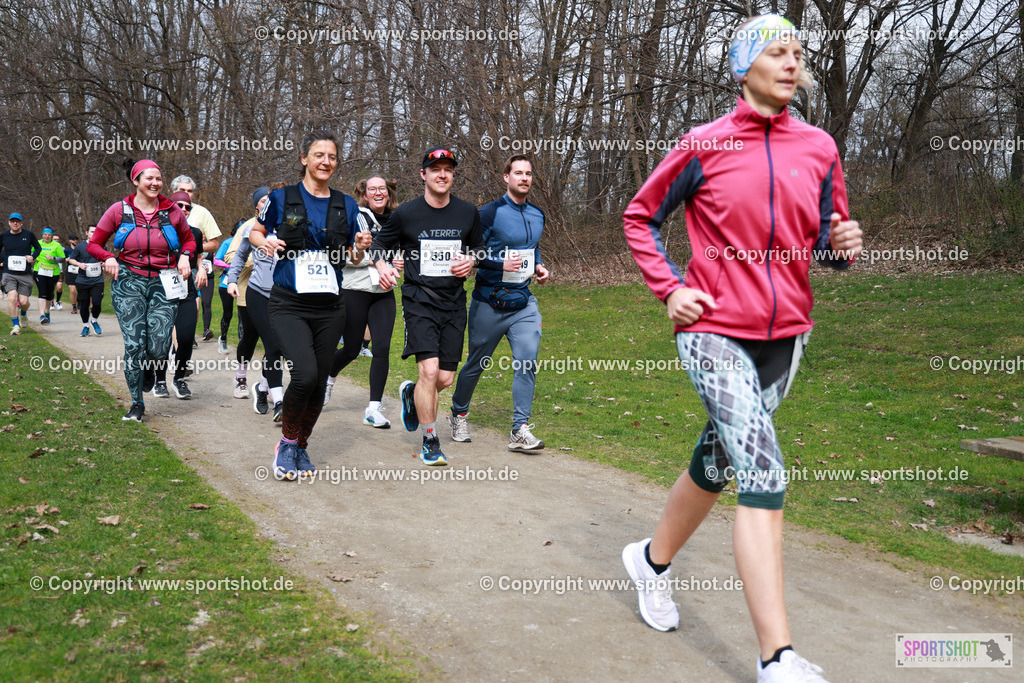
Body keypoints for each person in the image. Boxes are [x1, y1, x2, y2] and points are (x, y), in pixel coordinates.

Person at [620, 15, 863, 683]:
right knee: (764, 472)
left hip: (786, 340)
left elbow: (821, 240)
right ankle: (777, 657)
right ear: (742, 66)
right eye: (776, 52)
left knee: (719, 459)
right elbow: (640, 215)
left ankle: (650, 560)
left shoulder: (819, 147)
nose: (791, 63)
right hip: (713, 330)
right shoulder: (704, 144)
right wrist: (669, 288)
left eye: (797, 53)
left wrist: (838, 250)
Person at [249, 132, 370, 481]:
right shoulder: (281, 197)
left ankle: (301, 445)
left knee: (318, 383)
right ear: (304, 158)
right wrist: (267, 240)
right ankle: (285, 444)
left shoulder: (347, 205)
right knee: (305, 374)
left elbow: (353, 256)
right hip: (288, 303)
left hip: (331, 306)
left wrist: (360, 246)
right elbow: (255, 232)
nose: (325, 162)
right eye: (318, 155)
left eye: (331, 157)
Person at [370, 147, 489, 466]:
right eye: (435, 168)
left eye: (448, 169)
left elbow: (479, 246)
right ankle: (430, 440)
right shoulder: (407, 213)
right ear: (423, 174)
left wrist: (471, 260)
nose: (442, 174)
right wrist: (382, 266)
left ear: (452, 175)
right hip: (419, 301)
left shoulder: (467, 212)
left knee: (445, 379)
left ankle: (412, 395)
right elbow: (380, 244)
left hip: (453, 303)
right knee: (430, 370)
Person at [449, 155, 550, 451]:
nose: (524, 178)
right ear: (506, 177)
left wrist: (539, 266)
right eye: (518, 172)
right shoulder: (489, 213)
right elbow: (469, 254)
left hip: (523, 304)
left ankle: (520, 429)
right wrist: (499, 264)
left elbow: (532, 248)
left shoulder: (537, 213)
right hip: (489, 303)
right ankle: (458, 413)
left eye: (528, 173)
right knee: (476, 364)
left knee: (527, 362)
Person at [88, 159, 197, 422]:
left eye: (159, 179)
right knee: (134, 344)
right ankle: (137, 403)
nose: (155, 183)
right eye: (149, 178)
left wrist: (185, 256)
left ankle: (150, 368)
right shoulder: (119, 210)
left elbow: (190, 240)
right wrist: (108, 257)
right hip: (129, 280)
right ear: (135, 181)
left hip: (163, 281)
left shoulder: (172, 211)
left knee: (159, 347)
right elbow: (94, 244)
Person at [324, 175, 403, 429]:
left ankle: (373, 408)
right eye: (373, 189)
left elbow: (402, 250)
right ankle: (329, 378)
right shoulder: (353, 215)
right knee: (351, 348)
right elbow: (336, 255)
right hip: (355, 290)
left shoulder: (397, 220)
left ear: (388, 194)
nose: (379, 193)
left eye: (383, 188)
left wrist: (399, 261)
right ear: (365, 194)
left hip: (383, 293)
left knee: (382, 348)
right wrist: (372, 261)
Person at [225, 186, 280, 406]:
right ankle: (241, 377)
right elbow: (232, 256)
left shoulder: (287, 223)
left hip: (279, 293)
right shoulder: (249, 227)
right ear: (256, 204)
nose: (268, 203)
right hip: (250, 290)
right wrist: (257, 259)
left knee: (274, 344)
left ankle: (266, 385)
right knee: (249, 337)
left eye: (271, 199)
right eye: (264, 200)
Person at [152, 191, 208, 399]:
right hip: (161, 291)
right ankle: (159, 380)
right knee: (162, 338)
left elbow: (199, 257)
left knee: (185, 337)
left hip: (186, 290)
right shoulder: (156, 230)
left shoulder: (194, 232)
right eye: (180, 205)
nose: (184, 209)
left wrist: (202, 269)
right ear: (170, 207)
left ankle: (179, 379)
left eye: (188, 207)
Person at [169, 174, 222, 341]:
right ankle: (173, 347)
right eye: (182, 190)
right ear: (173, 192)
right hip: (168, 268)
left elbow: (214, 243)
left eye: (190, 191)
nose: (186, 194)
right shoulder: (162, 210)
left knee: (193, 307)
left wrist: (193, 247)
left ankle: (187, 337)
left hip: (193, 266)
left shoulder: (202, 213)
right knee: (170, 309)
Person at [0, 212, 40, 335]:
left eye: (17, 221)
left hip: (25, 273)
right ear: (9, 223)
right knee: (12, 298)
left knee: (23, 302)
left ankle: (23, 313)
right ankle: (16, 325)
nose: (15, 223)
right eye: (13, 221)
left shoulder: (28, 234)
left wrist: (32, 257)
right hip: (9, 272)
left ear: (21, 223)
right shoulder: (4, 236)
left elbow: (38, 248)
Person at [66, 225, 105, 337]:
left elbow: (105, 258)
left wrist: (104, 263)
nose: (94, 233)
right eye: (92, 231)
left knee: (97, 303)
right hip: (83, 280)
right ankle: (85, 326)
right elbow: (71, 260)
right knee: (84, 304)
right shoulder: (80, 246)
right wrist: (79, 264)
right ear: (87, 233)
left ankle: (94, 320)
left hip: (98, 279)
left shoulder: (102, 245)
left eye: (96, 231)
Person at [213, 222, 242, 355]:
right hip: (226, 283)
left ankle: (242, 344)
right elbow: (216, 260)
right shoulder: (228, 242)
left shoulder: (250, 241)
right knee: (228, 313)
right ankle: (223, 339)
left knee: (243, 315)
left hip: (244, 282)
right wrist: (231, 266)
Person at [33, 227, 65, 324]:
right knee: (42, 292)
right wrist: (33, 257)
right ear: (42, 235)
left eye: (49, 235)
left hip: (53, 272)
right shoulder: (37, 243)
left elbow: (63, 259)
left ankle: (47, 312)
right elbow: (31, 253)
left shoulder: (56, 245)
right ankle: (42, 315)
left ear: (51, 236)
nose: (47, 236)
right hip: (39, 270)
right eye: (45, 234)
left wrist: (53, 258)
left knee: (49, 293)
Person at [65, 233, 80, 315]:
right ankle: (74, 306)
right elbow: (62, 259)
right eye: (73, 239)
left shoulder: (80, 249)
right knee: (73, 291)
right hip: (70, 272)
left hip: (79, 271)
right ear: (70, 241)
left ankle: (79, 303)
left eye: (76, 239)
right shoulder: (67, 251)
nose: (75, 241)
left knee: (80, 290)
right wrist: (66, 259)